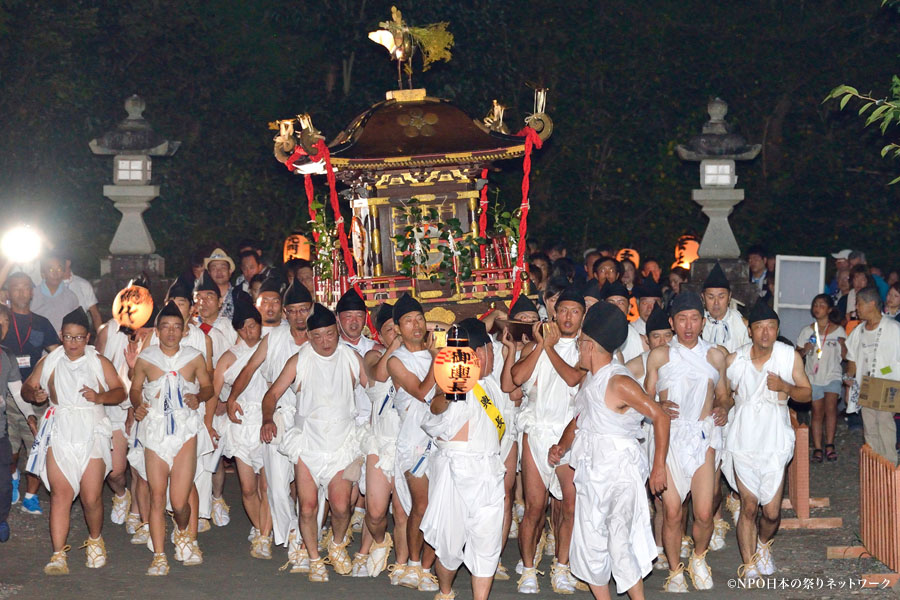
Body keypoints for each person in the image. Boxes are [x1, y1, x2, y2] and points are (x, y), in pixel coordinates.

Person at [550, 301, 671, 600]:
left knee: (620, 541)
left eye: (580, 344)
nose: (578, 348)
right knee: (590, 541)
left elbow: (660, 416)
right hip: (592, 470)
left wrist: (658, 466)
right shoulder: (590, 379)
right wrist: (562, 446)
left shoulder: (619, 382)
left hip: (620, 471)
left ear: (590, 345)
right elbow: (580, 419)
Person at [261, 304, 366, 582]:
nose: (325, 342)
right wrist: (267, 420)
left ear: (338, 333)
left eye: (330, 334)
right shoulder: (299, 360)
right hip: (308, 442)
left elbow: (375, 388)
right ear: (308, 336)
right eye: (317, 336)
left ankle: (336, 543)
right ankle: (314, 558)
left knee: (341, 506)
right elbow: (271, 395)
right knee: (307, 506)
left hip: (341, 442)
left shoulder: (352, 358)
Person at [24, 308, 125, 574]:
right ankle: (58, 554)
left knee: (91, 497)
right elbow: (28, 386)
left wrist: (100, 397)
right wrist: (34, 395)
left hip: (91, 429)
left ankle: (95, 540)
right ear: (61, 335)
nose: (73, 343)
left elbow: (119, 391)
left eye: (79, 337)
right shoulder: (50, 361)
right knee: (61, 494)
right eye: (68, 337)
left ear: (88, 337)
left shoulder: (98, 361)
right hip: (60, 429)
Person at [643, 292, 729, 592]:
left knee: (704, 512)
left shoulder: (715, 356)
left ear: (703, 322)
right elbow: (646, 398)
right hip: (669, 437)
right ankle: (676, 569)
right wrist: (658, 407)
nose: (688, 325)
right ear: (672, 322)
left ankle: (699, 557)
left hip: (702, 436)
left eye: (694, 319)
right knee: (672, 511)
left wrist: (722, 408)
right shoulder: (660, 356)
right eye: (681, 319)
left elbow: (724, 395)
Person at [721, 300, 811, 583]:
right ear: (750, 331)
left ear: (777, 330)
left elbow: (807, 394)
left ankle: (762, 545)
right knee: (749, 505)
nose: (765, 333)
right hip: (743, 437)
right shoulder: (734, 360)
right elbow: (722, 395)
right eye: (760, 327)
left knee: (771, 513)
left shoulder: (788, 356)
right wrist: (721, 406)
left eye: (771, 327)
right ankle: (748, 566)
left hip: (774, 438)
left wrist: (785, 386)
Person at [421, 318, 506, 600]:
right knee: (449, 544)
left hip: (489, 473)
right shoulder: (455, 380)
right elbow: (436, 408)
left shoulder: (491, 386)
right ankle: (445, 592)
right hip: (456, 473)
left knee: (487, 542)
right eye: (492, 351)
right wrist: (449, 392)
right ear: (481, 353)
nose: (494, 358)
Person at [227, 281, 311, 567]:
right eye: (294, 311)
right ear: (285, 313)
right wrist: (232, 397)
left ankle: (303, 539)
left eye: (304, 310)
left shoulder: (322, 337)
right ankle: (289, 536)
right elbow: (249, 369)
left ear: (311, 310)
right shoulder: (273, 339)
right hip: (276, 414)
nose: (299, 316)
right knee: (275, 486)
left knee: (307, 487)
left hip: (312, 420)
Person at [130, 301, 216, 575]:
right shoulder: (147, 357)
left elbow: (208, 387)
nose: (170, 332)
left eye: (176, 327)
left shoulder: (194, 356)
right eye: (165, 327)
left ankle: (182, 532)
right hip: (155, 428)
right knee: (157, 496)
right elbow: (134, 389)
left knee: (179, 501)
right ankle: (158, 556)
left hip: (185, 428)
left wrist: (198, 397)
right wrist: (137, 405)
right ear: (157, 330)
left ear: (183, 330)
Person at [512, 286, 586, 594]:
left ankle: (561, 567)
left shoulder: (587, 348)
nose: (568, 317)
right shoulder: (537, 343)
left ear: (583, 316)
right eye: (563, 311)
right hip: (538, 428)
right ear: (554, 313)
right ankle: (529, 569)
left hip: (569, 433)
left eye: (575, 312)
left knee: (569, 505)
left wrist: (551, 347)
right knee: (534, 506)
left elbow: (572, 377)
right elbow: (516, 378)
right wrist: (542, 345)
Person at [386, 293, 440, 591]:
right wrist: (436, 358)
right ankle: (414, 563)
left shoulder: (439, 350)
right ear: (397, 328)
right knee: (422, 503)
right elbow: (421, 391)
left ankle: (428, 567)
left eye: (419, 318)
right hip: (414, 440)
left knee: (441, 504)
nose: (416, 325)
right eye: (408, 321)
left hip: (442, 437)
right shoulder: (396, 361)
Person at [217, 299, 272, 558]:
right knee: (248, 487)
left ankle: (263, 536)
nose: (251, 332)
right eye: (245, 328)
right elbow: (215, 392)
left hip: (266, 419)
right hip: (240, 423)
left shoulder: (270, 348)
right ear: (238, 330)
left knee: (267, 486)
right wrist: (209, 422)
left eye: (255, 326)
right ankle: (261, 526)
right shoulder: (229, 357)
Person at [3, 271, 61, 515]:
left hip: (35, 393)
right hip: (6, 394)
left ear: (32, 291)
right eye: (15, 288)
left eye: (25, 287)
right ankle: (13, 475)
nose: (21, 292)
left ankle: (31, 496)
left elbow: (58, 354)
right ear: (7, 293)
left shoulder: (41, 322)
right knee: (10, 450)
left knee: (38, 445)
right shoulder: (2, 318)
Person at [358, 303, 405, 579]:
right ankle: (379, 541)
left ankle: (401, 563)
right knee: (375, 513)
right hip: (379, 442)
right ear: (380, 335)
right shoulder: (372, 355)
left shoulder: (415, 358)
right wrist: (396, 344)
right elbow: (380, 374)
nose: (396, 334)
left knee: (402, 511)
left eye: (399, 328)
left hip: (406, 443)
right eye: (390, 329)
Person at [846, 287, 900, 464]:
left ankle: (890, 466)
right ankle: (875, 466)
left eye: (859, 304)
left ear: (872, 304)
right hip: (866, 384)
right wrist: (849, 380)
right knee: (869, 428)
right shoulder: (858, 331)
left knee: (885, 424)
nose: (857, 308)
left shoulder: (893, 328)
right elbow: (852, 358)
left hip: (888, 383)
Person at [796, 295, 846, 462]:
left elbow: (845, 356)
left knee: (831, 409)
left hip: (833, 374)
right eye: (815, 305)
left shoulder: (838, 330)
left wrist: (843, 344)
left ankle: (830, 444)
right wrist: (805, 349)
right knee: (817, 412)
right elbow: (797, 355)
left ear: (830, 309)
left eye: (822, 305)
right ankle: (817, 447)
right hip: (813, 376)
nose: (817, 308)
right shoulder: (807, 331)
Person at [0, 306, 29, 542]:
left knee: (4, 486)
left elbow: (18, 393)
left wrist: (30, 416)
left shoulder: (6, 356)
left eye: (5, 322)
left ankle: (1, 519)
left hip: (0, 434)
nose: (1, 327)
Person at [701, 263, 751, 354]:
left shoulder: (740, 323)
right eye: (711, 297)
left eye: (721, 297)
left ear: (729, 297)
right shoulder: (697, 323)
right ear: (703, 298)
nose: (716, 303)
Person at [30, 254, 80, 333]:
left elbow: (76, 323)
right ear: (43, 273)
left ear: (63, 272)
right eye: (51, 270)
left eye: (59, 269)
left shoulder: (71, 297)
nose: (56, 274)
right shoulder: (32, 295)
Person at [602, 281, 643, 363]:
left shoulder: (640, 340)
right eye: (611, 302)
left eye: (621, 303)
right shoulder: (594, 336)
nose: (616, 307)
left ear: (628, 308)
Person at [63, 260, 102, 332]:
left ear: (68, 262)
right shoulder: (50, 286)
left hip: (80, 335)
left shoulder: (83, 284)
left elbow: (95, 314)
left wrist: (100, 336)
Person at [204, 248, 240, 320]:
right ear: (209, 273)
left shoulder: (240, 296)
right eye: (214, 268)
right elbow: (194, 318)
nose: (219, 272)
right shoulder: (202, 298)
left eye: (223, 268)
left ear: (230, 271)